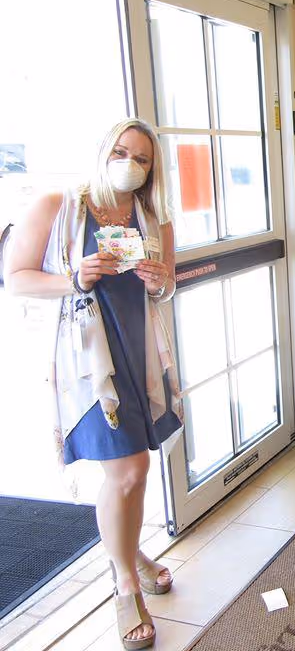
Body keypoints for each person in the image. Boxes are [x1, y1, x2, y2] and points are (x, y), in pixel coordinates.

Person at [5, 119, 182, 650]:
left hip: (141, 355)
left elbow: (167, 285)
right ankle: (125, 584)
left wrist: (161, 281)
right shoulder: (60, 206)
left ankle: (130, 553)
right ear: (103, 152)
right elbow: (16, 277)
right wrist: (74, 279)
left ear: (153, 169)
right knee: (126, 472)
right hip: (90, 363)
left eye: (143, 158)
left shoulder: (153, 217)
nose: (131, 162)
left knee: (138, 468)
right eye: (122, 151)